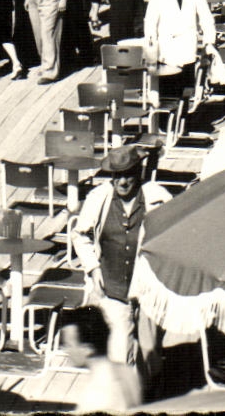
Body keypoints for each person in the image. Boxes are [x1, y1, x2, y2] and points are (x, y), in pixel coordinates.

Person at [69, 146, 172, 368]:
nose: (123, 182)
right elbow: (79, 235)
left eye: (129, 175)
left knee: (149, 352)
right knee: (119, 356)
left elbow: (174, 235)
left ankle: (148, 395)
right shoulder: (99, 198)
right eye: (118, 176)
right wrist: (93, 269)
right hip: (112, 287)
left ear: (140, 173)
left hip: (148, 289)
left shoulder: (157, 197)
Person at [142, 0, 218, 102]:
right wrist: (151, 43)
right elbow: (150, 21)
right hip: (166, 49)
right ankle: (166, 122)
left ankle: (185, 120)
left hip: (187, 47)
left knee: (186, 91)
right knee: (167, 92)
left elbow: (206, 17)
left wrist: (209, 41)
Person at [57, 305, 142, 411]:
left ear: (87, 349)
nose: (64, 348)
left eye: (68, 344)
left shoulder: (94, 397)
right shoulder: (127, 372)